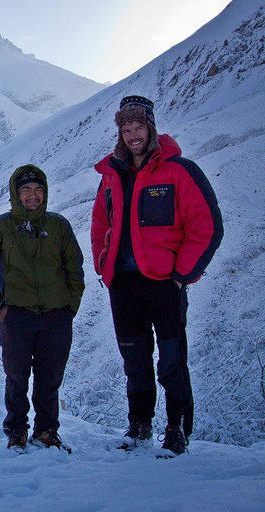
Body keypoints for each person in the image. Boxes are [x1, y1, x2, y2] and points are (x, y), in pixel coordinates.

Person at [91, 95, 223, 456]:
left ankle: (177, 429)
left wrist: (182, 275)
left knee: (170, 358)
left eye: (138, 127)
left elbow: (207, 227)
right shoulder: (112, 176)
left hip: (165, 282)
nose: (133, 135)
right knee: (134, 358)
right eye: (126, 128)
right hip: (124, 283)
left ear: (151, 129)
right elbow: (101, 222)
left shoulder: (179, 171)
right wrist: (105, 264)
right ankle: (140, 426)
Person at [0, 164, 85, 451]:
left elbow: (75, 267)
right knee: (17, 377)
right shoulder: (0, 227)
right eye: (26, 190)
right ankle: (17, 430)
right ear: (15, 194)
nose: (32, 195)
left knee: (50, 378)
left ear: (45, 193)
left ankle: (47, 430)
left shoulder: (58, 226)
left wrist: (70, 307)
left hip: (56, 316)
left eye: (38, 190)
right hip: (17, 316)